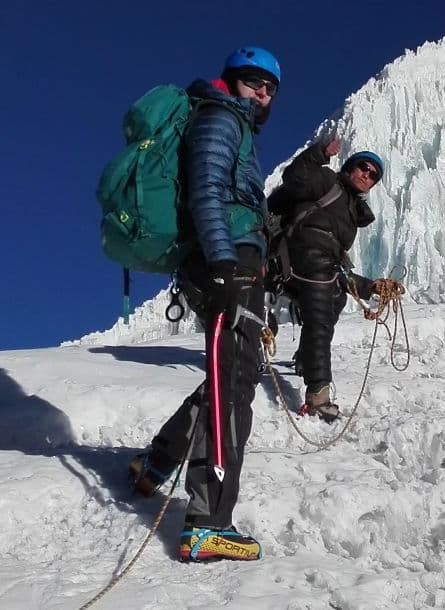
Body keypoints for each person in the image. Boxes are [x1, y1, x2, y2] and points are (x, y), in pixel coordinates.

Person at [127, 46, 281, 563]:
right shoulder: (220, 119)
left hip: (232, 259)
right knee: (233, 386)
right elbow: (207, 190)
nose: (262, 94)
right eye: (254, 82)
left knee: (229, 373)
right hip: (226, 260)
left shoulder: (229, 121)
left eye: (270, 88)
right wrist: (222, 260)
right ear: (232, 80)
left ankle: (156, 463)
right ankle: (207, 524)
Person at [265, 138, 401, 422]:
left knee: (333, 300)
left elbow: (337, 267)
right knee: (320, 313)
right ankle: (318, 394)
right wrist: (319, 153)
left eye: (373, 175)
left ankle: (306, 358)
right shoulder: (326, 182)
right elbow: (295, 178)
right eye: (363, 168)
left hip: (321, 266)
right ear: (350, 168)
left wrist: (370, 287)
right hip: (300, 257)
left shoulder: (351, 213)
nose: (367, 175)